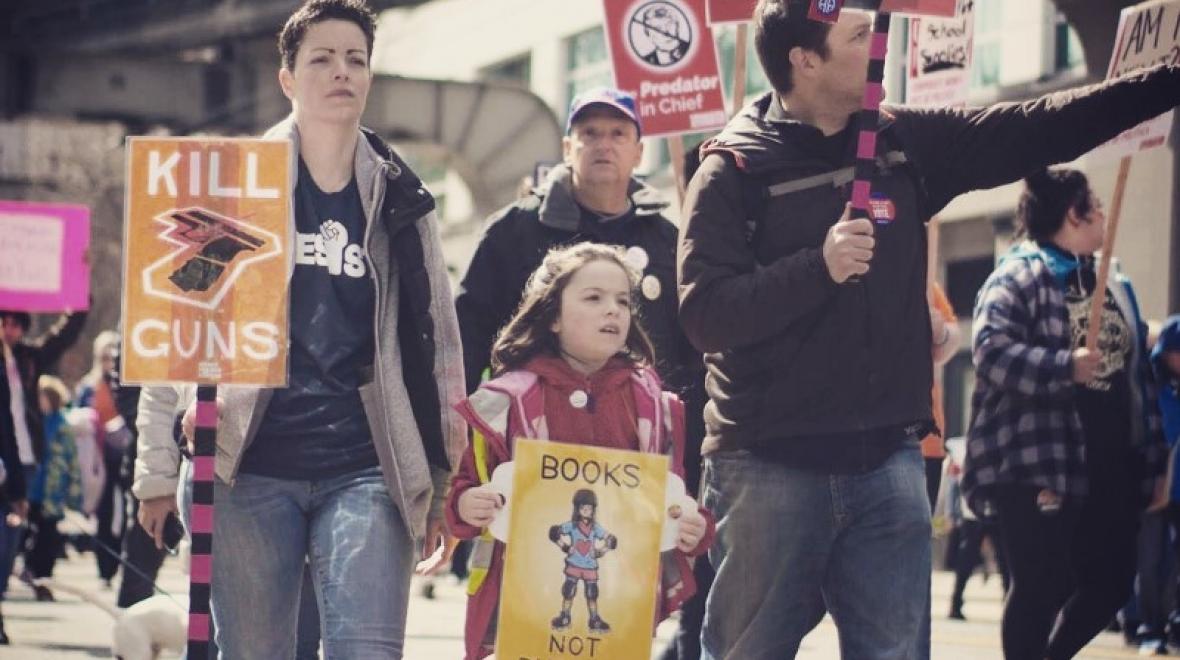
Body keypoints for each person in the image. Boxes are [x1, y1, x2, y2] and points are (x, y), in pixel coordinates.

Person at [675, 0, 1180, 656]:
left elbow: (1036, 126)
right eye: (859, 36)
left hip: (888, 461)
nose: (879, 42)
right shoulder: (731, 168)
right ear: (805, 61)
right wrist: (819, 267)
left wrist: (1165, 79)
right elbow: (705, 314)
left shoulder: (900, 139)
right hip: (770, 464)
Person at [133, 1, 465, 657]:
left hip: (367, 467)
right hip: (246, 470)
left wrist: (444, 483)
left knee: (366, 650)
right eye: (322, 58)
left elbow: (439, 345)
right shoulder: (234, 184)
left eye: (356, 59)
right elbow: (181, 327)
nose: (341, 71)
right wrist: (155, 471)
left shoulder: (401, 196)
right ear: (287, 78)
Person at [455, 86, 710, 658]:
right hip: (526, 482)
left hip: (633, 481)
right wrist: (466, 460)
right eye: (590, 133)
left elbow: (695, 358)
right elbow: (466, 341)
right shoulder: (513, 232)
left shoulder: (669, 241)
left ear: (639, 151)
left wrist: (687, 485)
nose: (603, 144)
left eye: (618, 133)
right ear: (568, 145)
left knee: (613, 631)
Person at [446, 243, 714, 660]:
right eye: (594, 298)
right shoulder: (507, 401)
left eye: (623, 301)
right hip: (524, 616)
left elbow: (675, 503)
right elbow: (464, 489)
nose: (614, 310)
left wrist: (695, 529)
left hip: (618, 618)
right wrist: (466, 505)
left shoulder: (655, 407)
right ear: (552, 316)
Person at [963, 168, 1167, 659]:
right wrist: (1062, 366)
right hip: (1040, 459)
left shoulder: (1111, 282)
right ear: (1073, 213)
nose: (1101, 213)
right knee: (1040, 586)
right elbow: (989, 350)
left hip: (1109, 460)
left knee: (1115, 579)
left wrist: (1157, 459)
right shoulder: (1018, 274)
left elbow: (1140, 375)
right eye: (1093, 204)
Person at [0, 307, 86, 643]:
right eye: (2, 323)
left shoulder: (29, 358)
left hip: (24, 461)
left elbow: (64, 336)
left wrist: (79, 297)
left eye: (14, 324)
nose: (8, 330)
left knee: (9, 545)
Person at [77, 330, 127, 588]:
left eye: (113, 355)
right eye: (105, 356)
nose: (109, 361)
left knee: (126, 513)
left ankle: (122, 565)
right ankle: (105, 570)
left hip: (124, 458)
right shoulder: (89, 387)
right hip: (99, 460)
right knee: (105, 515)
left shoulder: (127, 385)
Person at [25, 375, 82, 599]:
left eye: (42, 395)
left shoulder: (62, 425)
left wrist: (74, 496)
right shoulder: (31, 421)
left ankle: (42, 580)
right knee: (28, 536)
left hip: (52, 493)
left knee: (48, 539)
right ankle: (31, 573)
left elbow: (72, 461)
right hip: (30, 491)